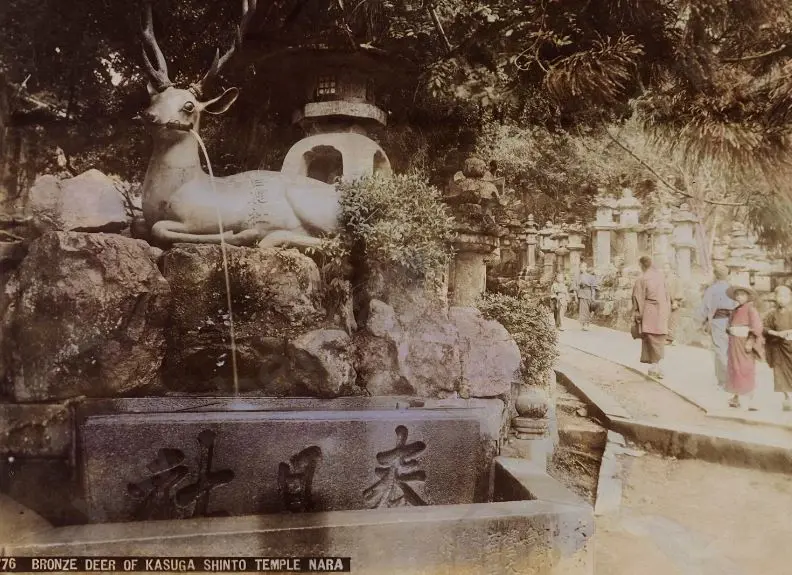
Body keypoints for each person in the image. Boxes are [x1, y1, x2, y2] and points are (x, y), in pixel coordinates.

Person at [693, 264, 736, 390]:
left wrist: (699, 322)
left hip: (719, 321)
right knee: (730, 349)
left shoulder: (712, 289)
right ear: (728, 275)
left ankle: (724, 380)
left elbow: (705, 308)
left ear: (715, 275)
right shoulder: (732, 288)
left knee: (720, 349)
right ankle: (731, 378)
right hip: (733, 320)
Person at [725, 283, 764, 409]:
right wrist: (730, 330)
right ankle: (736, 397)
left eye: (742, 294)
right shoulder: (735, 310)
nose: (739, 297)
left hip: (744, 342)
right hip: (734, 343)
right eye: (737, 294)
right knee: (735, 369)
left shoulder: (751, 309)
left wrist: (750, 341)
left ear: (748, 296)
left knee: (746, 369)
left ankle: (752, 399)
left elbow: (757, 327)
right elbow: (729, 324)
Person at [632, 255, 671, 378]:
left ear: (642, 266)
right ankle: (656, 366)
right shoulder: (660, 277)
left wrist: (637, 314)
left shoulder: (642, 279)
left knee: (650, 337)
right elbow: (667, 295)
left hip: (649, 310)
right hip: (662, 309)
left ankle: (656, 367)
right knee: (658, 338)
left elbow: (637, 298)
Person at [764, 285, 792, 412]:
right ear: (775, 298)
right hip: (778, 348)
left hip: (790, 346)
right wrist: (777, 334)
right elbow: (764, 328)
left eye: (785, 296)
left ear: (790, 298)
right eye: (779, 296)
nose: (782, 299)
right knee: (780, 373)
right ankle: (787, 397)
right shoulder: (771, 314)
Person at [662, 261, 684, 345]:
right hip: (665, 302)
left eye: (667, 268)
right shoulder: (663, 278)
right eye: (664, 268)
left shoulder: (675, 278)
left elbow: (679, 290)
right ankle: (664, 337)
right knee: (665, 320)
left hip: (673, 302)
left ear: (671, 269)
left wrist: (676, 301)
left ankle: (669, 339)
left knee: (672, 320)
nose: (665, 270)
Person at [576, 262, 598, 331]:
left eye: (584, 267)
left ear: (586, 268)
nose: (582, 268)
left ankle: (587, 323)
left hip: (588, 293)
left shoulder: (590, 277)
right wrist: (576, 296)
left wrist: (593, 296)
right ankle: (583, 324)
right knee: (583, 310)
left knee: (588, 309)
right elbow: (576, 287)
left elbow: (593, 287)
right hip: (581, 293)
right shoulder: (579, 276)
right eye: (581, 267)